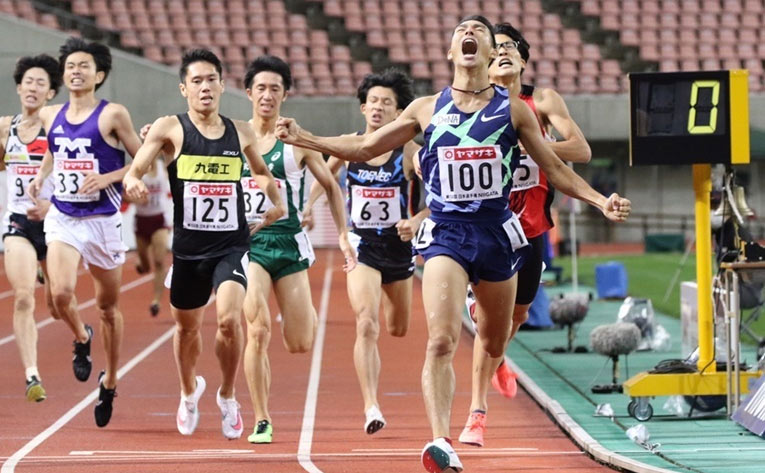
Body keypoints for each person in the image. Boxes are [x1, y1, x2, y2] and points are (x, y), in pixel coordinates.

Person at [275, 15, 630, 473]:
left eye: (479, 32)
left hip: (497, 234)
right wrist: (304, 137)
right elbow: (366, 147)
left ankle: (486, 330)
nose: (470, 34)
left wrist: (601, 201)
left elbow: (556, 169)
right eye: (462, 30)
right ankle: (441, 442)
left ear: (489, 54)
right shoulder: (426, 108)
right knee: (440, 341)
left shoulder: (515, 110)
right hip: (446, 233)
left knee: (494, 338)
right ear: (450, 53)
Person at [123, 49, 284, 439]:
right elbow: (135, 169)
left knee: (230, 319)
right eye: (196, 81)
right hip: (189, 250)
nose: (205, 87)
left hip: (231, 245)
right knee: (187, 330)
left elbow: (262, 174)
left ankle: (227, 395)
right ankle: (189, 390)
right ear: (184, 89)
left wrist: (274, 201)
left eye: (212, 79)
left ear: (223, 85)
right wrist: (134, 183)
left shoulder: (240, 132)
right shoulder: (170, 128)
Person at [458, 22, 593, 448]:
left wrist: (530, 143)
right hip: (485, 228)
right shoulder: (472, 103)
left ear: (522, 58)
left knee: (515, 317)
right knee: (487, 325)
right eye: (493, 47)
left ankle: (499, 356)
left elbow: (581, 149)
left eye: (509, 47)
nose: (500, 53)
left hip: (531, 228)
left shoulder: (543, 100)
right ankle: (476, 412)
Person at [303, 69, 428, 435]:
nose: (378, 108)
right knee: (366, 323)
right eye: (373, 102)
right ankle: (371, 405)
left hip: (399, 248)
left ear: (399, 112)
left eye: (386, 103)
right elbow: (326, 178)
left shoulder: (409, 151)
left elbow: (440, 197)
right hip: (362, 245)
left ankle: (374, 396)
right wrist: (309, 207)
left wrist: (418, 219)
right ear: (362, 107)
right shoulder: (349, 144)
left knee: (398, 328)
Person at [240, 55, 355, 444]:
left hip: (289, 243)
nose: (267, 95)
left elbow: (332, 187)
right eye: (261, 88)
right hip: (250, 244)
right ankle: (261, 419)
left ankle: (298, 310)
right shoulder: (234, 137)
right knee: (256, 330)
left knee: (300, 343)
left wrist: (341, 235)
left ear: (285, 95)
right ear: (248, 93)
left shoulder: (298, 141)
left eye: (275, 88)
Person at [28, 38, 142, 427]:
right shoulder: (50, 114)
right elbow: (54, 150)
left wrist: (106, 177)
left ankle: (109, 380)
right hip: (63, 216)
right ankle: (81, 336)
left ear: (100, 75)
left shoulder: (114, 115)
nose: (76, 71)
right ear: (64, 74)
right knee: (59, 295)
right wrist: (42, 176)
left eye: (84, 66)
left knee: (109, 306)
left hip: (103, 222)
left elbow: (140, 159)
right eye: (71, 65)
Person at [0, 54, 62, 402]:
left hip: (55, 224)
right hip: (18, 223)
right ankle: (32, 375)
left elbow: (74, 175)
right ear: (19, 86)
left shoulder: (57, 128)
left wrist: (52, 203)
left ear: (50, 92)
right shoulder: (5, 127)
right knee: (23, 297)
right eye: (28, 81)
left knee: (56, 306)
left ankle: (79, 333)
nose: (33, 87)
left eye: (41, 83)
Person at [130, 155, 171, 317]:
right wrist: (135, 198)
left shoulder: (163, 168)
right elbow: (124, 190)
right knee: (145, 267)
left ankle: (156, 301)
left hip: (159, 218)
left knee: (160, 261)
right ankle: (142, 263)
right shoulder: (138, 168)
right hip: (142, 220)